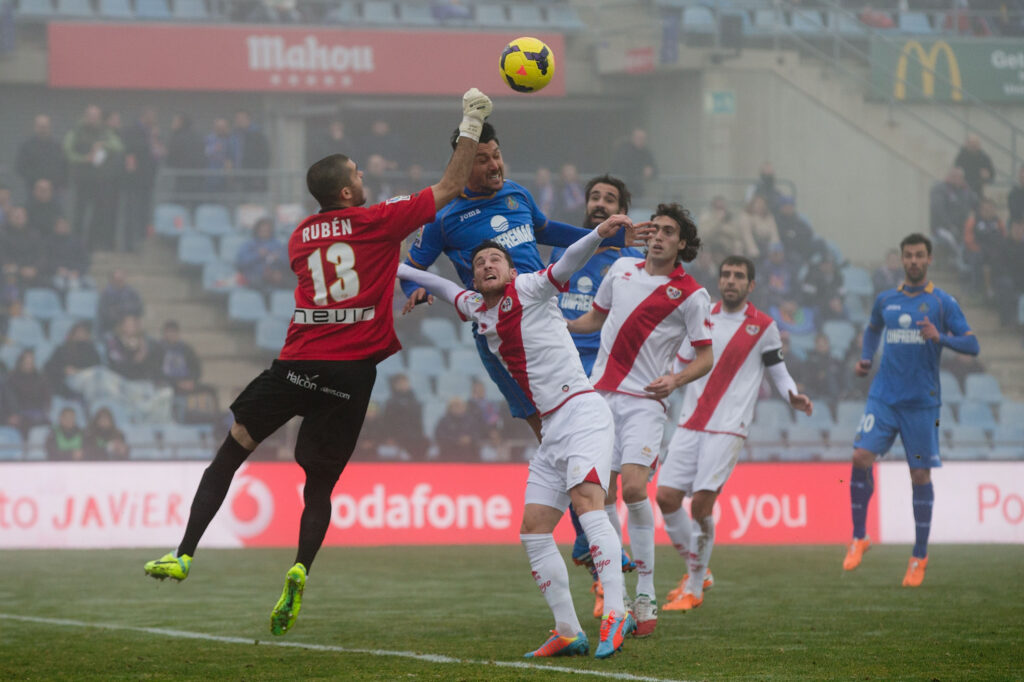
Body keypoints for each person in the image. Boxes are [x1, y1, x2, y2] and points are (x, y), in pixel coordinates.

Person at [142, 88, 495, 638]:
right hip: (352, 372)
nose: (366, 178)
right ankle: (301, 565)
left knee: (231, 451)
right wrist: (471, 120)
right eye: (359, 173)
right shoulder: (377, 220)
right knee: (320, 485)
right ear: (349, 190)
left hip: (298, 362)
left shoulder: (300, 236)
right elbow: (450, 186)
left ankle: (184, 553)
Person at [397, 214, 638, 660]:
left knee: (589, 507)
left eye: (496, 260)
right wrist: (380, 259)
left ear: (511, 270)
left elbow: (566, 261)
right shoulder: (475, 306)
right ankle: (568, 631)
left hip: (582, 412)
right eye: (480, 262)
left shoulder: (531, 288)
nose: (488, 265)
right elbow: (428, 280)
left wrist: (599, 235)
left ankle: (617, 611)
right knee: (533, 530)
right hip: (552, 431)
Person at [400, 123, 635, 443]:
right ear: (463, 166)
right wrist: (415, 291)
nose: (495, 165)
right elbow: (413, 266)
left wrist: (608, 237)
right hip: (500, 329)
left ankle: (586, 488)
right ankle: (578, 488)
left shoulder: (516, 193)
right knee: (549, 431)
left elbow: (546, 230)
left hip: (544, 315)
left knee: (575, 423)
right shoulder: (443, 216)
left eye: (497, 155)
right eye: (483, 160)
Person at [565, 202, 714, 637]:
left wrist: (676, 378)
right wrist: (563, 325)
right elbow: (596, 317)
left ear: (682, 243)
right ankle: (620, 596)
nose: (659, 236)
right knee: (602, 493)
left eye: (669, 232)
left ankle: (646, 590)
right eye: (656, 229)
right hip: (600, 396)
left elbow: (705, 355)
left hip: (646, 401)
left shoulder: (691, 294)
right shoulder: (620, 270)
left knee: (633, 488)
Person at [657, 255, 813, 611]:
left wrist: (793, 395)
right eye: (726, 274)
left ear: (750, 285)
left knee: (700, 504)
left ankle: (694, 588)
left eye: (738, 276)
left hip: (728, 428)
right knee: (666, 497)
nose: (730, 280)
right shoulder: (702, 316)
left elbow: (778, 372)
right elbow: (680, 363)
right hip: (690, 422)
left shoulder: (764, 326)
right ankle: (699, 570)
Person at [842, 233, 979, 587]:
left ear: (929, 259)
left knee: (919, 476)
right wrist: (866, 358)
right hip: (884, 397)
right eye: (908, 256)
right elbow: (872, 330)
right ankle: (859, 536)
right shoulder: (886, 300)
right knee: (860, 456)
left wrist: (941, 337)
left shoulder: (942, 302)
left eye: (919, 255)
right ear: (901, 260)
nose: (913, 261)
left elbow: (972, 343)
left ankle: (919, 555)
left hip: (922, 403)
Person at [549, 175, 644, 612]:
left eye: (610, 199)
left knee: (604, 480)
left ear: (623, 209)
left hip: (611, 375)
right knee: (580, 469)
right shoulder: (565, 254)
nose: (600, 204)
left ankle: (601, 558)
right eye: (594, 197)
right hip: (564, 371)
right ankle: (599, 559)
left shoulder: (631, 263)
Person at [15, 113, 68, 195]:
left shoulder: (57, 147)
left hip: (54, 190)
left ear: (49, 127)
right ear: (35, 127)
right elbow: (21, 167)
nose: (43, 129)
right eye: (40, 127)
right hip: (32, 189)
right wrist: (37, 181)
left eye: (45, 127)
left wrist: (52, 183)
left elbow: (64, 167)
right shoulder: (26, 147)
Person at [236, 217, 291, 292]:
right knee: (257, 280)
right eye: (262, 230)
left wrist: (278, 258)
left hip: (276, 274)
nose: (265, 232)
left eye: (267, 230)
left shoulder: (277, 244)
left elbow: (287, 261)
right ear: (257, 230)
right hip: (255, 275)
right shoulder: (249, 244)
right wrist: (257, 255)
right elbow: (242, 263)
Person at [610, 127, 657, 198]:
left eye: (643, 138)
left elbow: (654, 169)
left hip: (638, 190)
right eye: (639, 138)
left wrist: (651, 171)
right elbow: (622, 169)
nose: (641, 141)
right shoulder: (623, 151)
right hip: (621, 188)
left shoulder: (646, 152)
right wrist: (642, 171)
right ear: (633, 138)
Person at [954, 133, 995, 198]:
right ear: (966, 144)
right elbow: (955, 173)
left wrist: (988, 176)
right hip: (963, 189)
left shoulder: (984, 158)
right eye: (971, 143)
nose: (974, 145)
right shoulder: (961, 157)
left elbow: (991, 174)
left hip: (978, 188)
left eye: (976, 143)